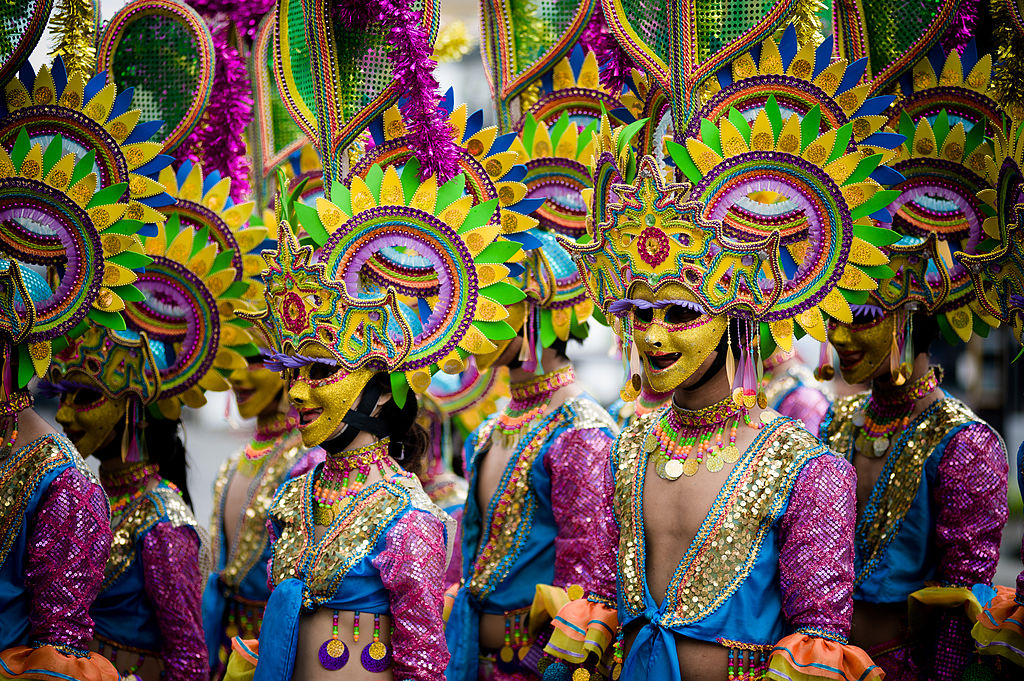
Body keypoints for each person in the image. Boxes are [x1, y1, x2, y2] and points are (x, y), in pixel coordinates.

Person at [561, 25, 897, 681]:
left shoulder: (806, 468)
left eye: (681, 313)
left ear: (737, 312)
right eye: (642, 312)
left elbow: (817, 641)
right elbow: (601, 609)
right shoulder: (627, 446)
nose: (655, 336)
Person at [820, 41, 1010, 681]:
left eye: (862, 318)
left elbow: (962, 610)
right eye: (833, 316)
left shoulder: (967, 447)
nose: (841, 338)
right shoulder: (836, 426)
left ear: (909, 316)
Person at [0, 54, 183, 681]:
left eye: (87, 396)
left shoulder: (71, 489)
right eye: (69, 395)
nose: (74, 411)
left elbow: (183, 655)